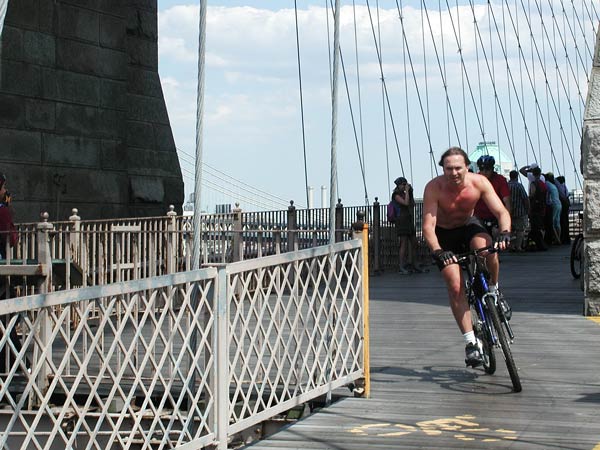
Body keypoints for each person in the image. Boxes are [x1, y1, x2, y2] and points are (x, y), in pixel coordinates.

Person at [423, 147, 511, 367]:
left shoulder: (479, 182)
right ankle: (471, 343)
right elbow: (428, 226)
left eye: (458, 168)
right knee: (455, 286)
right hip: (444, 235)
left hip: (468, 226)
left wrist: (505, 232)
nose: (453, 173)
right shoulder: (434, 187)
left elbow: (501, 212)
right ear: (443, 168)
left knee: (486, 248)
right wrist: (438, 251)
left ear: (467, 167)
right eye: (448, 168)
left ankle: (494, 288)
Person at [391, 177, 425, 275]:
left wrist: (410, 193)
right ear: (399, 185)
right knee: (404, 244)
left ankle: (414, 264)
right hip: (401, 221)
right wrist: (406, 192)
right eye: (403, 184)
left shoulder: (405, 194)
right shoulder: (396, 195)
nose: (405, 186)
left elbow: (412, 204)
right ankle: (401, 266)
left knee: (415, 243)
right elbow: (405, 203)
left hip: (408, 220)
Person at [526, 166, 548, 251]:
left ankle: (536, 244)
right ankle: (540, 244)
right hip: (542, 207)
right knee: (539, 226)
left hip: (535, 208)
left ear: (533, 174)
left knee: (534, 227)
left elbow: (532, 195)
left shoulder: (533, 184)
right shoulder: (543, 184)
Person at [507, 170, 529, 252]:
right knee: (520, 230)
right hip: (520, 211)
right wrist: (527, 209)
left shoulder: (506, 186)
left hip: (509, 212)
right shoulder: (519, 186)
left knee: (511, 230)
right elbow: (525, 198)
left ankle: (511, 246)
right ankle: (518, 246)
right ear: (516, 176)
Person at [544, 172, 562, 245]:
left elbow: (547, 194)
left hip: (553, 204)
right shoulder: (554, 185)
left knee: (552, 223)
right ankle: (559, 238)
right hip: (559, 203)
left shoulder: (547, 184)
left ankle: (557, 240)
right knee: (557, 223)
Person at [555, 175, 571, 244]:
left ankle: (562, 238)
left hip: (563, 204)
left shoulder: (558, 185)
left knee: (562, 222)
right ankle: (566, 238)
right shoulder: (564, 186)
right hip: (567, 204)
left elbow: (555, 180)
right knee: (566, 222)